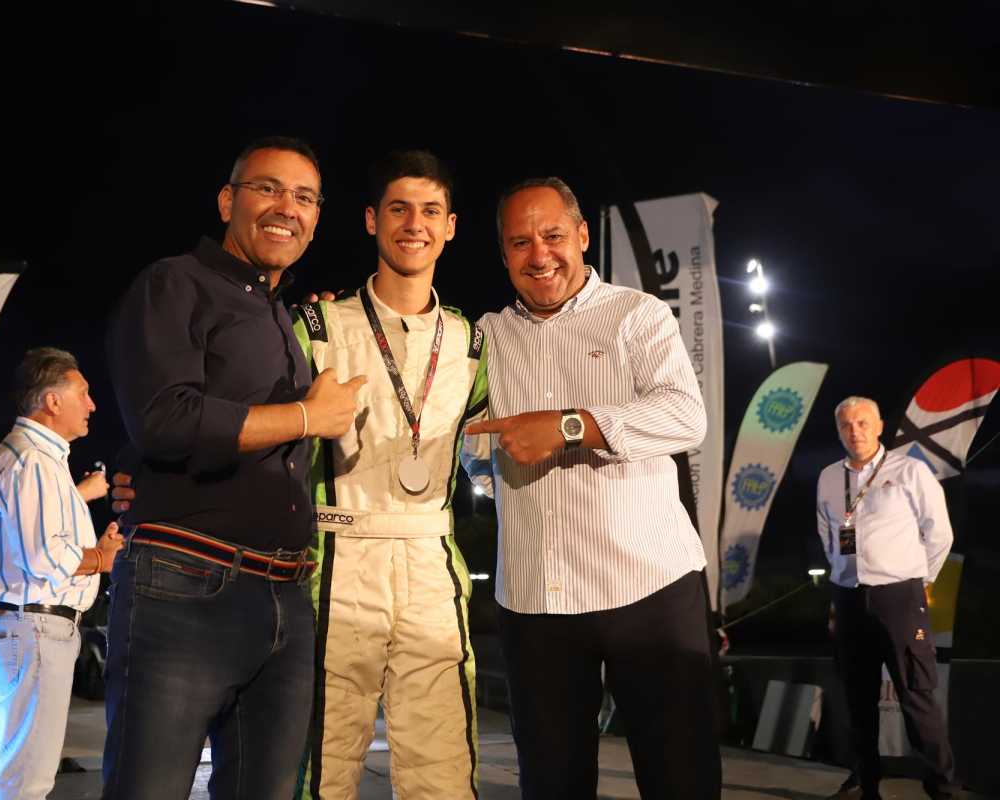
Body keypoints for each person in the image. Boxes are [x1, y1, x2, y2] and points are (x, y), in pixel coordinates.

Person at [102, 137, 365, 800]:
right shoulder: (173, 283)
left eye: (304, 198)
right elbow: (163, 419)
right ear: (227, 200)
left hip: (286, 596)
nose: (286, 208)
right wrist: (307, 416)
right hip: (186, 586)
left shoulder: (280, 315)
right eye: (267, 188)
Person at [462, 177, 722, 799]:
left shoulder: (638, 314)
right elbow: (473, 451)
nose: (539, 255)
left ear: (581, 235)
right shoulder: (484, 337)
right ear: (503, 254)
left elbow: (687, 417)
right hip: (536, 599)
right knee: (550, 784)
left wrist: (568, 426)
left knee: (680, 778)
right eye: (520, 242)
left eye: (553, 235)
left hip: (648, 588)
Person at [291, 150, 487, 799]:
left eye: (430, 210)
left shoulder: (473, 343)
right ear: (372, 219)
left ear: (450, 226)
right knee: (321, 766)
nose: (414, 224)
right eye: (399, 209)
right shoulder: (318, 325)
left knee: (443, 774)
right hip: (338, 557)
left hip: (432, 560)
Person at [0, 347, 124, 800]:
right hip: (33, 628)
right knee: (26, 781)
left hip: (21, 626)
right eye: (83, 393)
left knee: (15, 773)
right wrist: (102, 559)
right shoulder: (33, 461)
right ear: (52, 401)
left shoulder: (28, 457)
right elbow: (45, 558)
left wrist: (94, 546)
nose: (92, 404)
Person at [817, 396, 957, 800]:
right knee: (857, 699)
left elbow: (940, 533)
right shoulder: (828, 477)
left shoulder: (910, 471)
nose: (854, 431)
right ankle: (866, 784)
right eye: (846, 425)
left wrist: (920, 580)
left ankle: (944, 789)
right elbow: (827, 533)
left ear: (879, 427)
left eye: (863, 423)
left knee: (917, 697)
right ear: (838, 430)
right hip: (848, 599)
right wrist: (840, 575)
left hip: (899, 598)